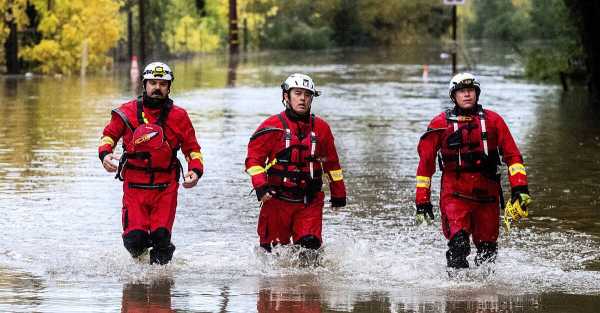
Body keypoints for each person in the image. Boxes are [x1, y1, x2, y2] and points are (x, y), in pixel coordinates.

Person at [415, 73, 532, 269]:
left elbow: (513, 156)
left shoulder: (494, 121)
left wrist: (520, 188)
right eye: (462, 91)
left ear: (477, 93)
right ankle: (456, 294)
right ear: (454, 96)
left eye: (471, 90)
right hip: (454, 194)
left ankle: (484, 294)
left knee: (488, 252)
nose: (467, 94)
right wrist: (422, 200)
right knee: (458, 246)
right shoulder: (440, 125)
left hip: (487, 196)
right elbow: (425, 165)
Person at [99, 62, 203, 265]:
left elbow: (192, 149)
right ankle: (139, 281)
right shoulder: (125, 112)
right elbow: (108, 136)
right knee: (134, 240)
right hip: (134, 186)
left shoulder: (179, 116)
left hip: (166, 187)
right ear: (144, 84)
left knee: (161, 239)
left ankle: (161, 288)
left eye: (162, 84)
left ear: (169, 87)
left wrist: (195, 172)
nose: (157, 88)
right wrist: (105, 155)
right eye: (153, 83)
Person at [245, 73, 347, 255]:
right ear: (286, 96)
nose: (303, 99)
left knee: (310, 251)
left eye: (307, 95)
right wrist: (260, 186)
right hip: (276, 201)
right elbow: (254, 160)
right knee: (273, 255)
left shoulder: (322, 128)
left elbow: (332, 164)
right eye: (298, 93)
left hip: (309, 202)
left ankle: (307, 284)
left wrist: (338, 193)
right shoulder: (271, 126)